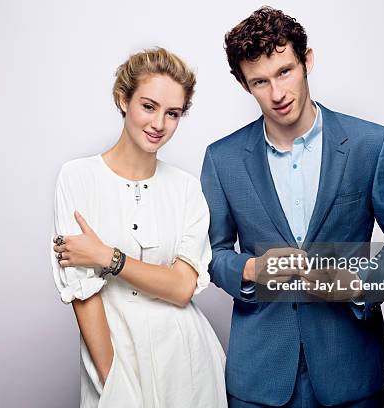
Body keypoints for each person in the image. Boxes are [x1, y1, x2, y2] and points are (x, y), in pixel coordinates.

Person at [200, 7, 384, 408]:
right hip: (259, 375)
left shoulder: (369, 144)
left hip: (350, 368)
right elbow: (212, 255)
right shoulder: (222, 159)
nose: (277, 94)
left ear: (307, 60)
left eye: (285, 71)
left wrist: (362, 284)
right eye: (260, 81)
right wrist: (252, 269)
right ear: (243, 84)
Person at [51, 47, 227, 408]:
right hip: (116, 361)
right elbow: (83, 293)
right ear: (122, 99)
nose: (159, 123)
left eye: (173, 113)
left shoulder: (187, 189)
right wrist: (114, 382)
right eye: (149, 106)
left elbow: (181, 288)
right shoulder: (78, 178)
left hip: (188, 365)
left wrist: (108, 257)